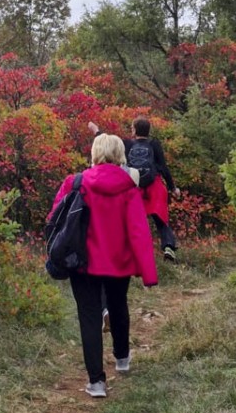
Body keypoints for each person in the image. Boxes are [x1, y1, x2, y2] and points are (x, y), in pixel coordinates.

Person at [48, 134, 158, 398]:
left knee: (89, 316)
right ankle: (122, 358)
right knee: (119, 306)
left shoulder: (74, 183)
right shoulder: (129, 188)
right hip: (119, 262)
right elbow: (139, 231)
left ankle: (96, 382)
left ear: (95, 153)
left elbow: (54, 219)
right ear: (121, 154)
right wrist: (148, 274)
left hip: (81, 262)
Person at [88, 118, 180, 261]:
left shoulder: (127, 144)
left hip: (135, 186)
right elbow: (163, 167)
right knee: (161, 219)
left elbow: (107, 144)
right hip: (155, 185)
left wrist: (96, 130)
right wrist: (173, 187)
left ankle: (132, 252)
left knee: (133, 221)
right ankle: (168, 247)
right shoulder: (154, 144)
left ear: (134, 130)